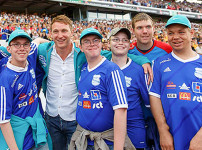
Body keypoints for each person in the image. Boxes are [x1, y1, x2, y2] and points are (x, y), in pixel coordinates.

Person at [37, 15, 150, 150]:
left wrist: (143, 60)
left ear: (71, 33)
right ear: (50, 33)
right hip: (52, 117)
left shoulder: (81, 55)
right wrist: (37, 39)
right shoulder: (44, 51)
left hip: (74, 120)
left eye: (64, 31)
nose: (60, 35)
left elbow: (118, 52)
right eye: (56, 31)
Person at [149, 15, 202, 150]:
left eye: (181, 32)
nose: (175, 37)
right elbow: (155, 97)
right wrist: (163, 130)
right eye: (171, 33)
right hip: (171, 138)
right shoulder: (159, 63)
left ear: (192, 33)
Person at [69, 28, 128, 150]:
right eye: (87, 41)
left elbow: (121, 111)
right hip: (84, 140)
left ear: (102, 44)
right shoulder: (83, 69)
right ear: (80, 47)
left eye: (96, 40)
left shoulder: (112, 70)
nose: (92, 44)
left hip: (106, 142)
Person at [0, 29, 51, 150]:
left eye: (25, 44)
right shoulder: (5, 80)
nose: (22, 48)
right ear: (9, 49)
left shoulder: (29, 58)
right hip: (20, 138)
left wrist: (53, 43)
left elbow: (38, 40)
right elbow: (3, 120)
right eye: (16, 44)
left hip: (37, 131)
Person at [130, 13, 173, 149]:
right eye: (140, 27)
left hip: (163, 115)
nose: (145, 31)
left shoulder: (167, 49)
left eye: (148, 27)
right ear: (133, 30)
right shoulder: (128, 50)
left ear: (154, 28)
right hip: (137, 117)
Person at [108, 28, 149, 149]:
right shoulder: (102, 67)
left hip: (133, 129)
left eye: (124, 40)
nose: (120, 43)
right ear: (108, 42)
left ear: (130, 44)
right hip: (107, 130)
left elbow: (148, 103)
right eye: (116, 39)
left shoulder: (140, 70)